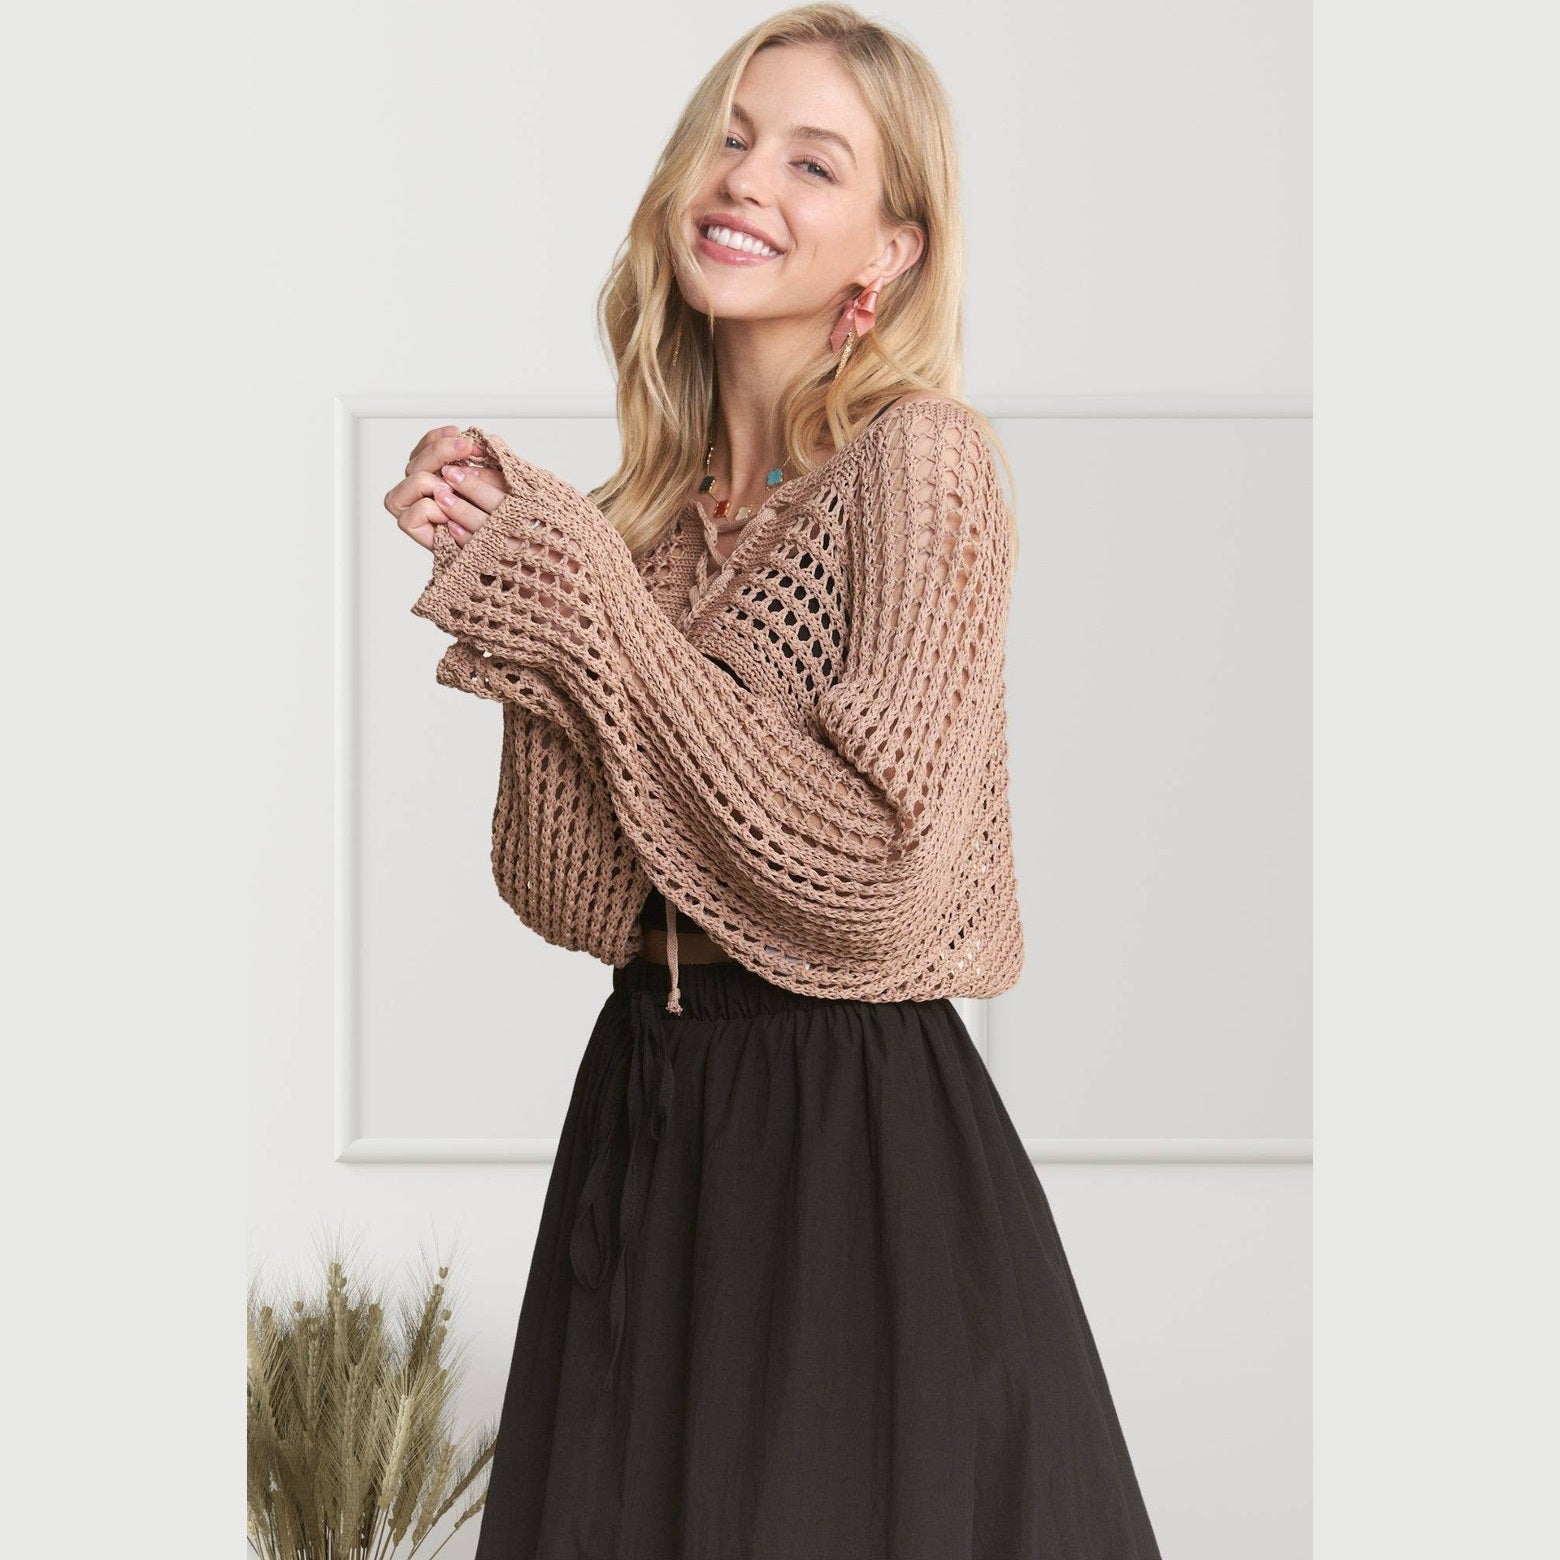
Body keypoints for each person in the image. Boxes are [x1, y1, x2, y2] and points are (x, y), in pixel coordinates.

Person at [384, 6, 1163, 1555]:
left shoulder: (919, 465)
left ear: (892, 250)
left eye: (815, 162)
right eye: (732, 139)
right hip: (646, 1110)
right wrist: (529, 590)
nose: (747, 180)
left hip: (851, 1138)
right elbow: (573, 896)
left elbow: (872, 870)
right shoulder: (647, 525)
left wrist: (582, 603)